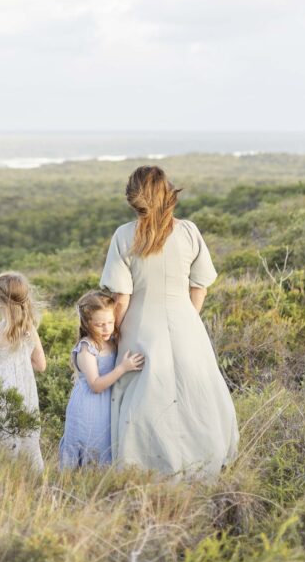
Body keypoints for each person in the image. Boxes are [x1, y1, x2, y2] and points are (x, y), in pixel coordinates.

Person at [100, 165, 239, 479]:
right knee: (197, 393)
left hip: (139, 324)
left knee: (144, 399)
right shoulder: (188, 231)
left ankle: (147, 469)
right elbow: (200, 284)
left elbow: (121, 297)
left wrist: (114, 335)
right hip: (185, 321)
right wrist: (188, 318)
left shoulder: (124, 235)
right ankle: (203, 464)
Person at [59, 290, 144, 468]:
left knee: (105, 445)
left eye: (110, 322)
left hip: (107, 404)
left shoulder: (112, 341)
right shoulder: (86, 348)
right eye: (99, 325)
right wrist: (123, 368)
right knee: (90, 443)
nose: (106, 328)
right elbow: (96, 385)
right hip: (89, 405)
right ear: (87, 324)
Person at [0, 271, 46, 471]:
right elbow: (41, 365)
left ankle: (0, 473)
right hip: (25, 391)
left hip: (1, 391)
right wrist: (22, 366)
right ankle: (32, 474)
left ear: (0, 301)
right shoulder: (30, 329)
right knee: (26, 435)